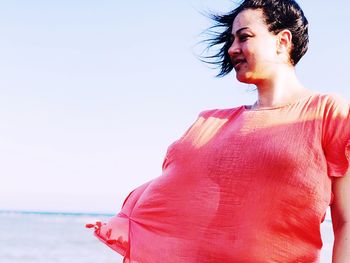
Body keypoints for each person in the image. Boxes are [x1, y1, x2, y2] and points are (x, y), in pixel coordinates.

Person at [87, 0, 350, 262]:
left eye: (244, 37)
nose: (232, 49)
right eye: (231, 40)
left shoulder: (328, 113)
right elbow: (179, 202)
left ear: (282, 41)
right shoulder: (209, 124)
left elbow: (347, 223)